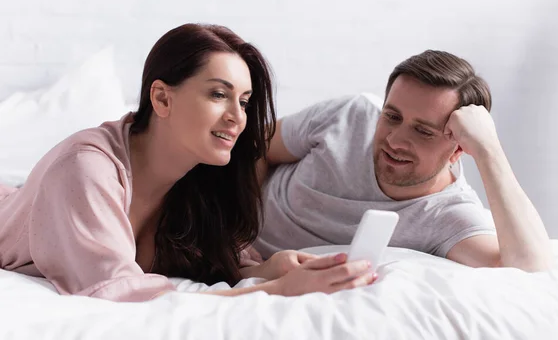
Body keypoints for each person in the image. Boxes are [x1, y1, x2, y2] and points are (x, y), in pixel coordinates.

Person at [0, 24, 376, 302]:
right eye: (218, 94)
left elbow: (212, 260)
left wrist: (267, 270)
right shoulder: (84, 169)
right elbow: (115, 294)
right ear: (162, 99)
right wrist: (275, 291)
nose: (237, 117)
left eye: (244, 102)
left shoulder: (198, 179)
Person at [254, 50, 552, 272]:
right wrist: (234, 233)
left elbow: (529, 268)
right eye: (392, 117)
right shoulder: (350, 115)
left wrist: (490, 150)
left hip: (265, 271)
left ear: (459, 148)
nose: (395, 140)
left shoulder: (447, 215)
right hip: (222, 227)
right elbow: (256, 148)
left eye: (423, 131)